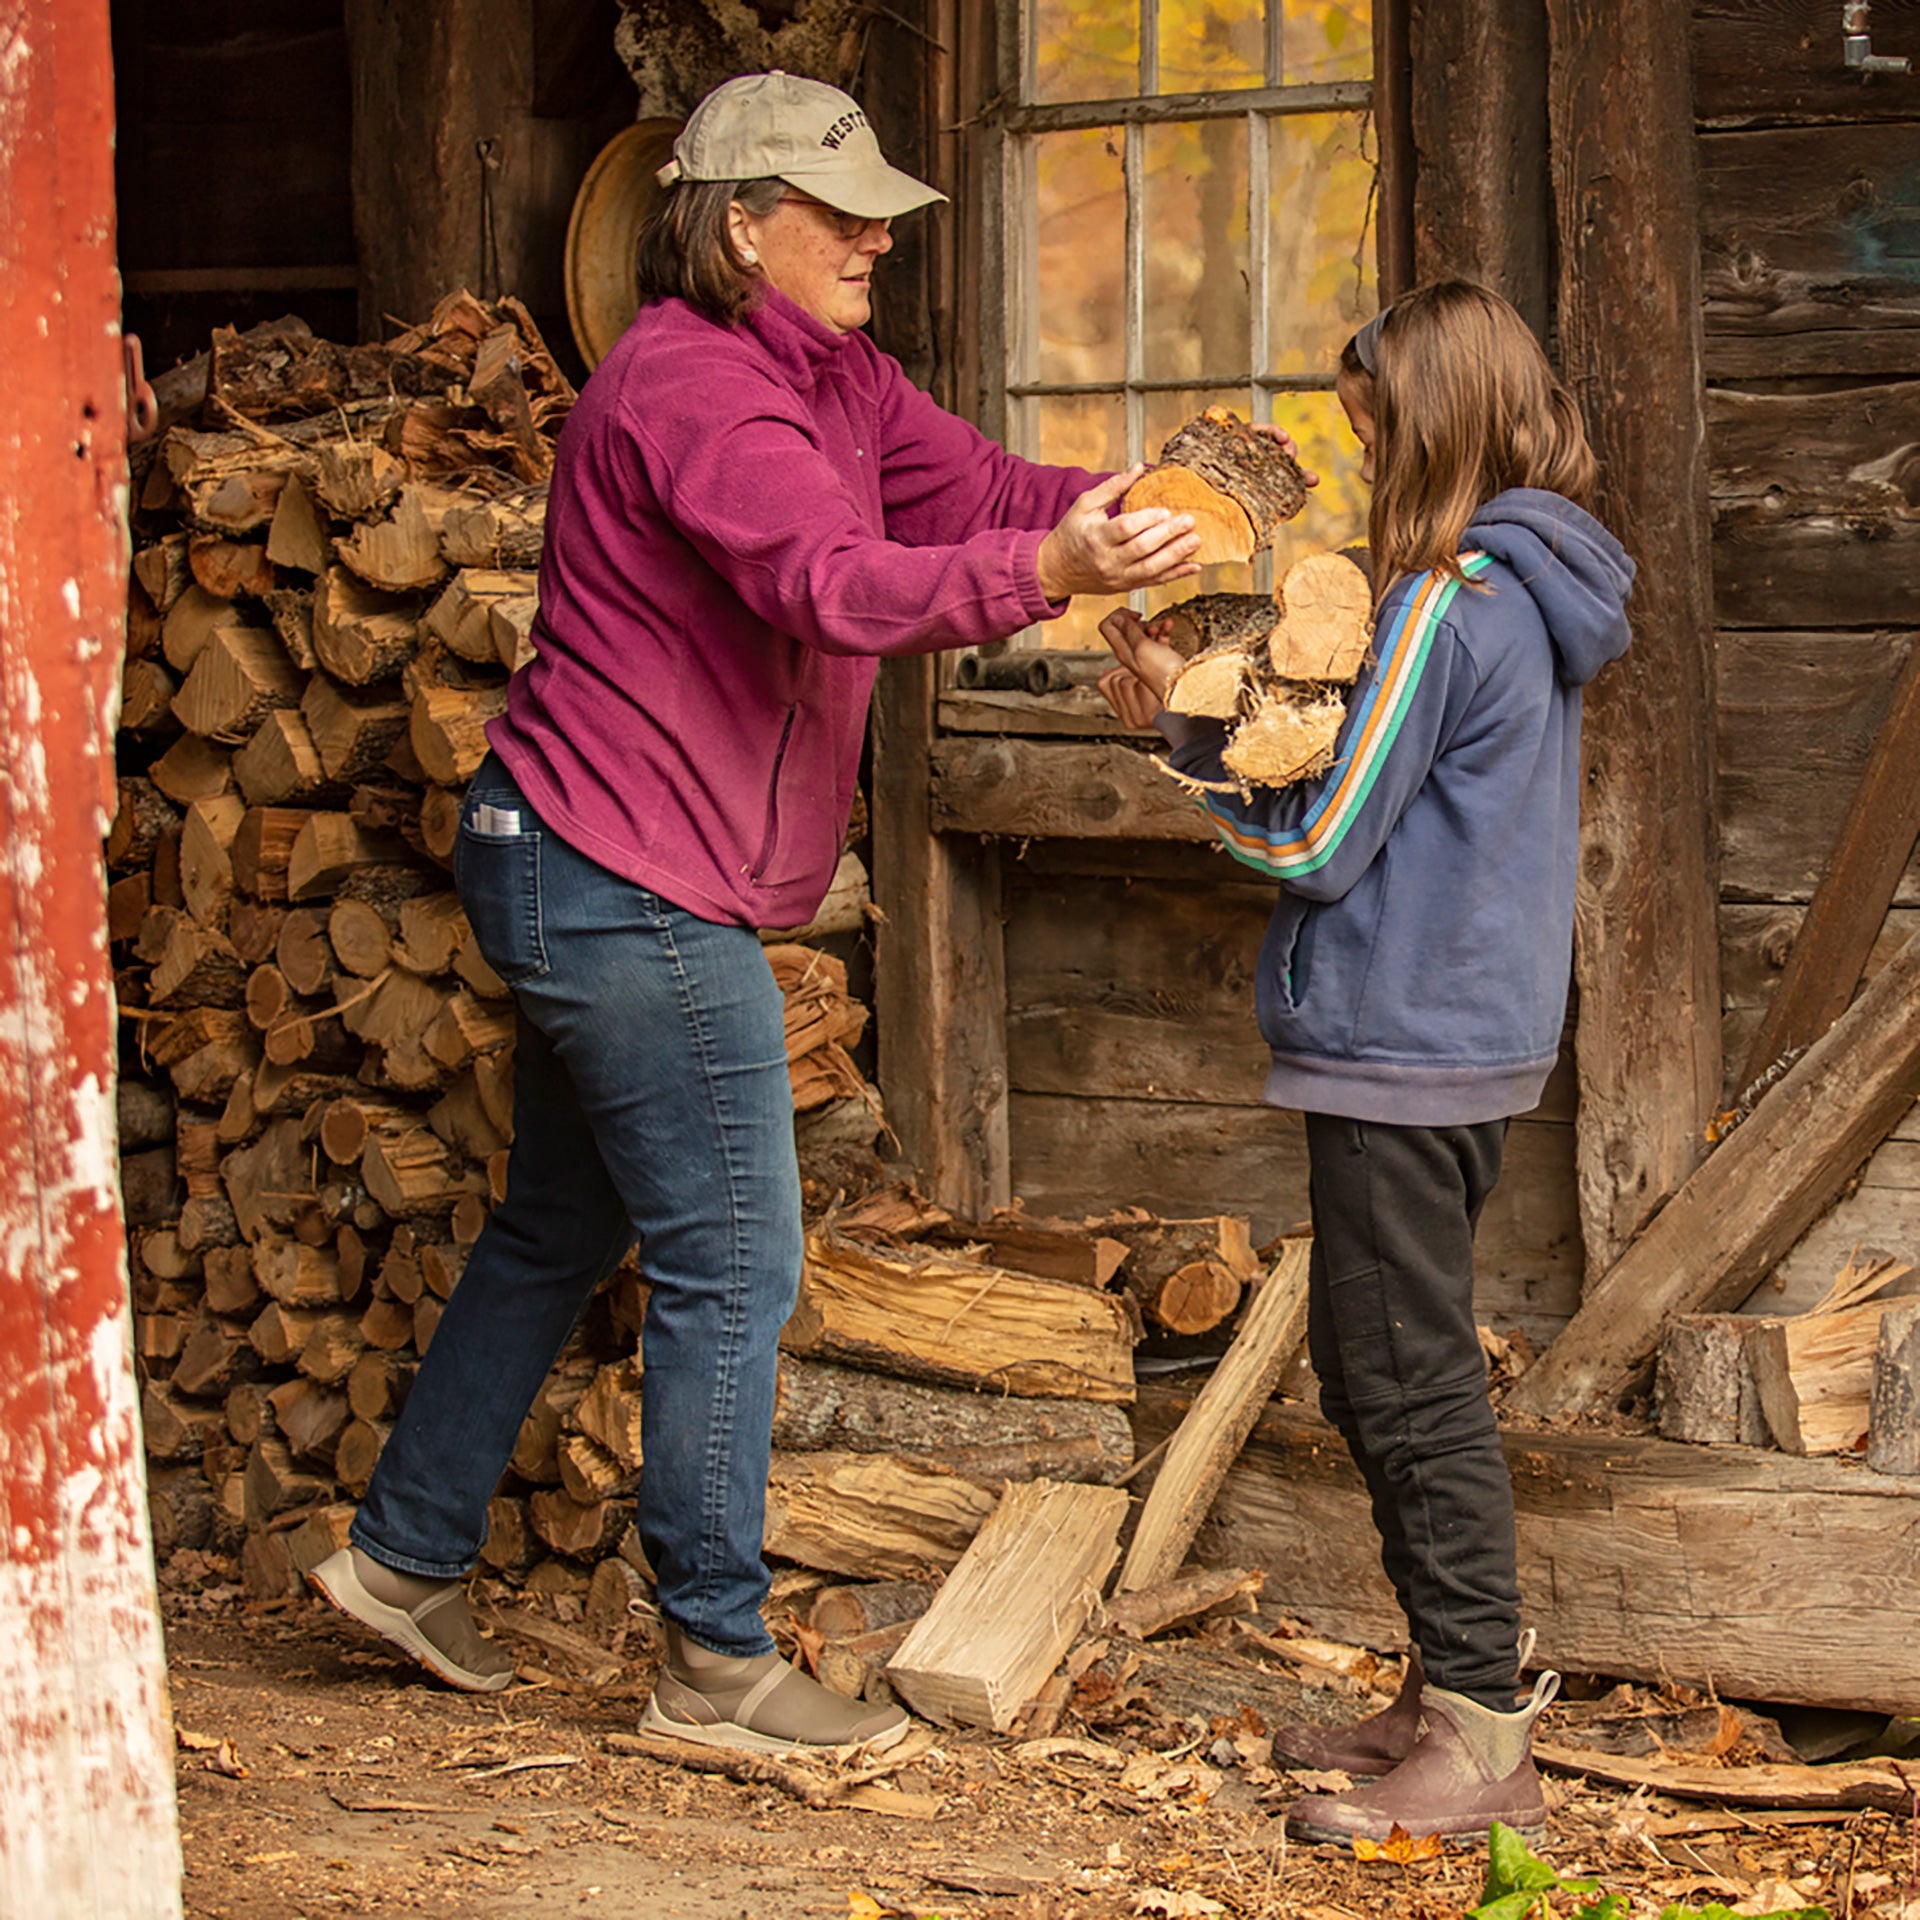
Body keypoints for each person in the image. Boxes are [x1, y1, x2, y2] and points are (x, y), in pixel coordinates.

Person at [309, 68, 1206, 1756]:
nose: (875, 238)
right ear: (737, 224)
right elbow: (830, 585)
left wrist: (1131, 516)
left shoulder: (837, 377)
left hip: (584, 852)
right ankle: (714, 1664)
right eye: (837, 210)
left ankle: (403, 1558)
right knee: (736, 1261)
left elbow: (976, 488)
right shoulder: (697, 392)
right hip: (619, 872)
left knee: (553, 1227)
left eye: (880, 210)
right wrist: (1049, 583)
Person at [1097, 281, 1635, 1844]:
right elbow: (1370, 782)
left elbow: (1324, 836)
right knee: (1374, 1363)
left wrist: (1172, 753)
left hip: (1400, 1039)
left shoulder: (1446, 602)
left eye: (1373, 430)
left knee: (1405, 1382)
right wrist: (1200, 726)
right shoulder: (1535, 589)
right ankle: (1445, 1687)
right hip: (1462, 1034)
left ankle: (1481, 1733)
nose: (1363, 460)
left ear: (1432, 425)